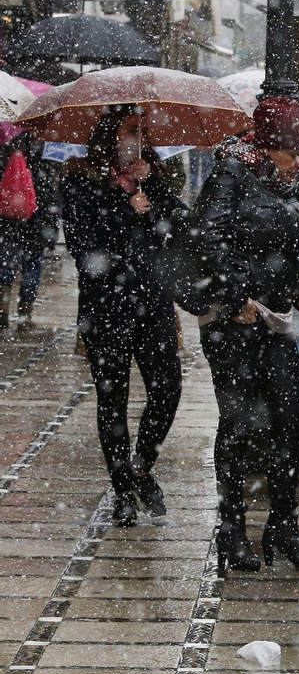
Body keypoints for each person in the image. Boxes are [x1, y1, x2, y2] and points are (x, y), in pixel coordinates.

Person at [191, 97, 299, 571]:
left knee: (289, 421)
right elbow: (207, 241)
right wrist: (235, 299)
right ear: (270, 145)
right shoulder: (230, 174)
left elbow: (287, 251)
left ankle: (283, 527)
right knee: (239, 425)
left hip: (275, 321)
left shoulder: (281, 182)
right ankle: (232, 531)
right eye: (295, 152)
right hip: (235, 325)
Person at [60, 107, 187, 527]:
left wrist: (152, 189)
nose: (139, 136)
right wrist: (124, 210)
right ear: (111, 134)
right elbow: (82, 246)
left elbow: (179, 226)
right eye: (132, 128)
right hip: (106, 307)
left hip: (153, 302)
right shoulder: (80, 178)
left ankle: (140, 466)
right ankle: (122, 491)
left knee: (167, 390)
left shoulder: (156, 175)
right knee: (112, 401)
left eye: (143, 129)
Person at [0, 124, 54, 331]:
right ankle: (25, 315)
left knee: (6, 263)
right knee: (32, 266)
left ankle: (2, 309)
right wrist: (50, 228)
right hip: (36, 220)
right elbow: (49, 192)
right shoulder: (45, 149)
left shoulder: (7, 144)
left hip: (8, 219)